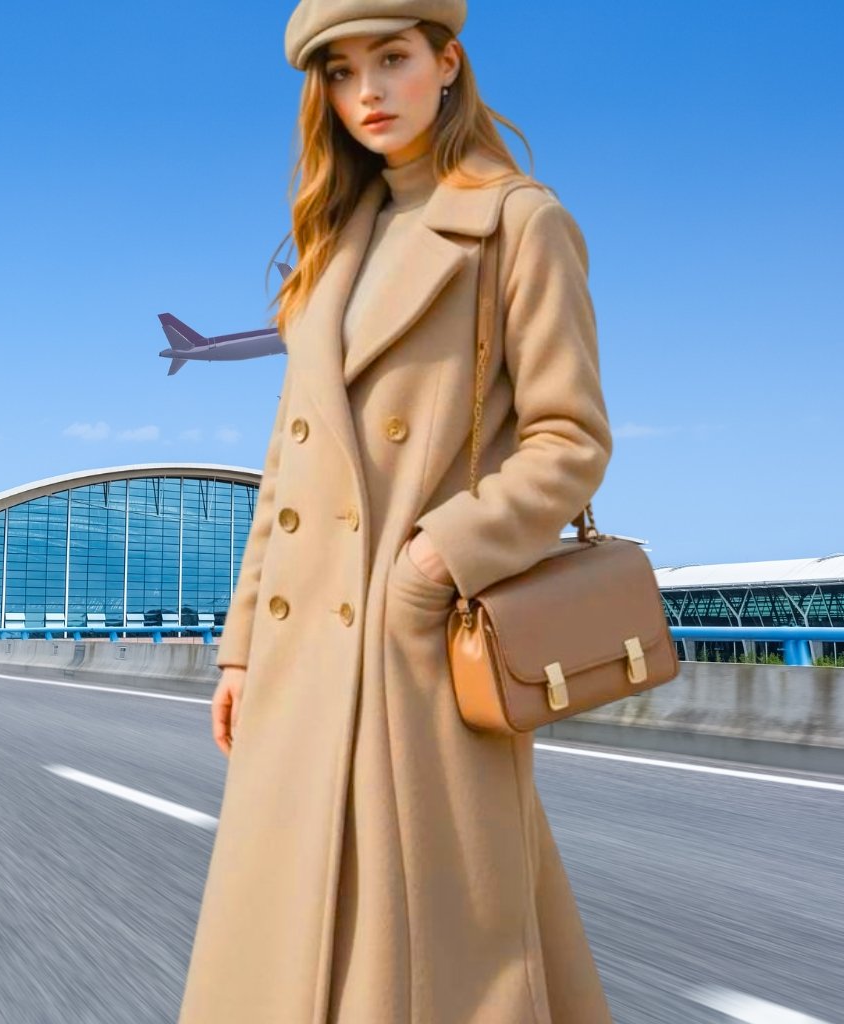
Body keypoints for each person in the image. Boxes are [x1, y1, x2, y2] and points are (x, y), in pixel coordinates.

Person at [178, 1, 615, 1021]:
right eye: (340, 72)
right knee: (294, 939)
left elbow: (570, 441)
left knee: (438, 943)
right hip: (300, 656)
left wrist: (430, 564)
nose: (366, 91)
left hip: (412, 641)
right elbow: (288, 475)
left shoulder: (516, 221)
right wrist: (242, 646)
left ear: (447, 62)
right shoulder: (332, 246)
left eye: (392, 59)